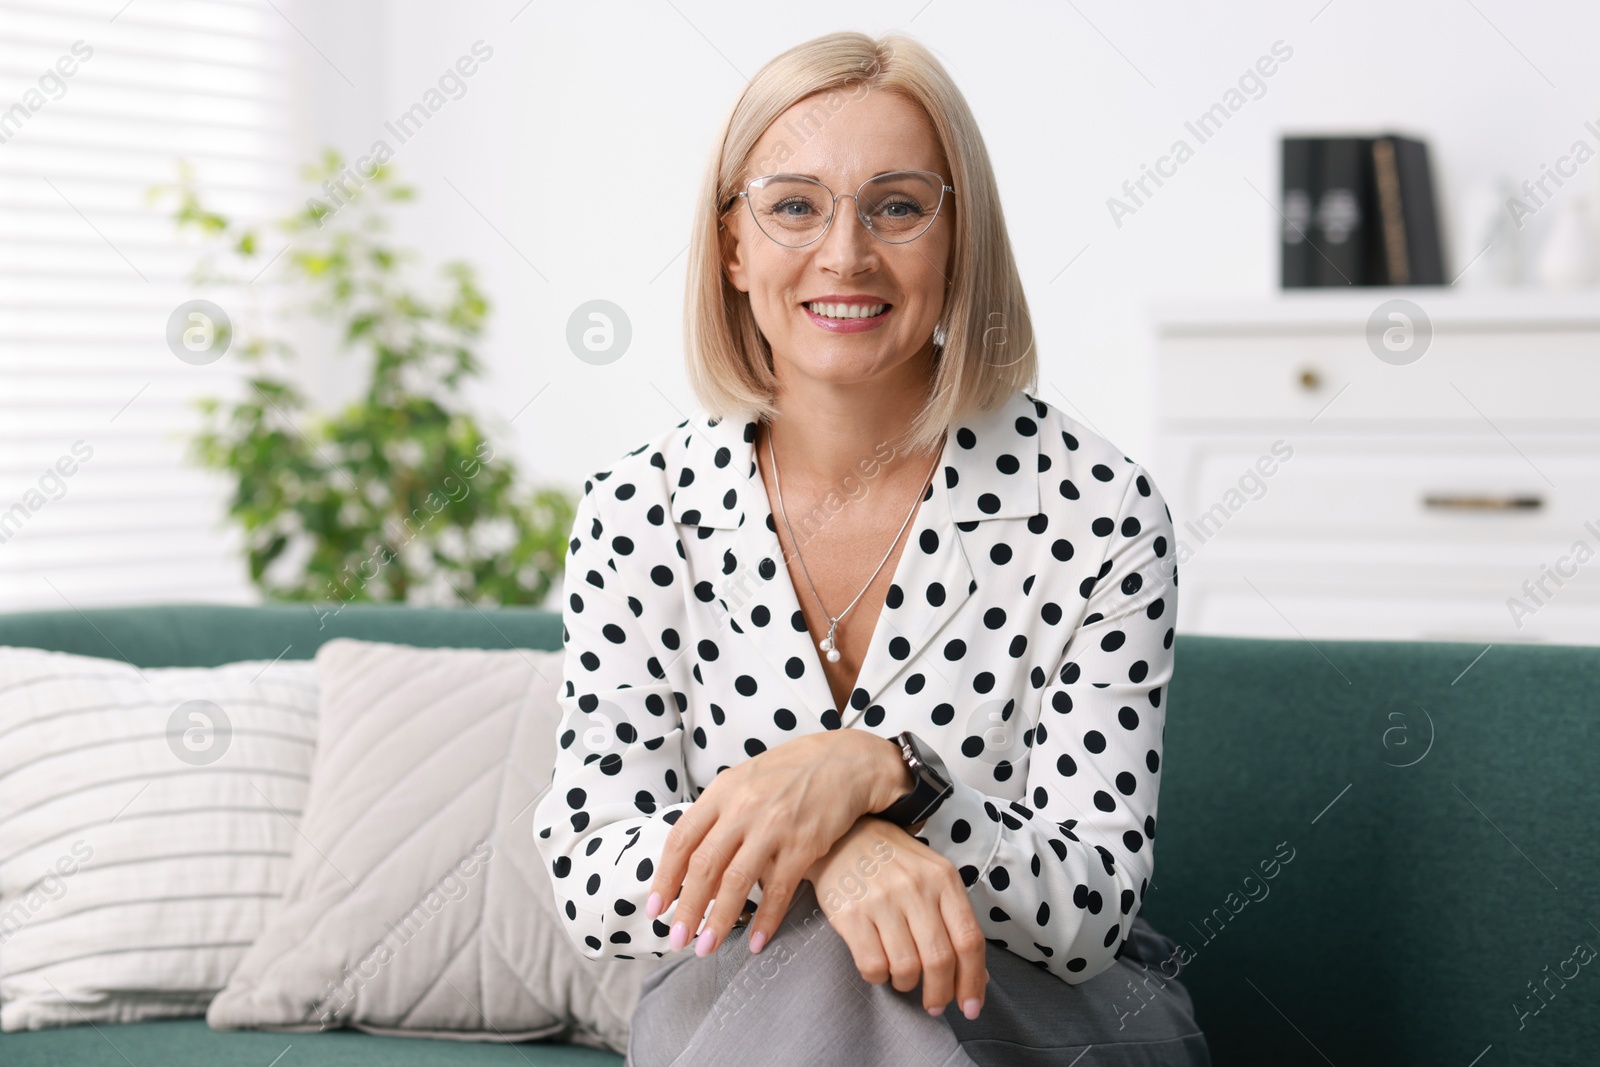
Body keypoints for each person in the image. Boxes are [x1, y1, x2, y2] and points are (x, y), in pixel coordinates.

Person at [533, 29, 1211, 1067]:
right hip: (737, 993)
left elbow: (1087, 905)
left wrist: (888, 773)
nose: (844, 254)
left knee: (845, 985)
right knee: (814, 964)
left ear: (958, 238)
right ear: (732, 247)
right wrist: (838, 849)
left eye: (896, 206)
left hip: (1028, 1006)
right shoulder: (639, 506)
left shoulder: (1094, 508)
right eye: (794, 205)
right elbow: (591, 874)